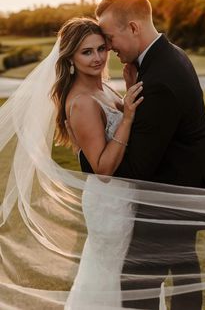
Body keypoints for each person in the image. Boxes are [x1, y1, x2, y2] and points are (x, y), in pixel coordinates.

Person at [77, 0, 205, 310]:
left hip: (167, 199)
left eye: (110, 38)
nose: (108, 47)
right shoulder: (169, 56)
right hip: (184, 190)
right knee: (184, 273)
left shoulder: (160, 76)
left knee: (136, 287)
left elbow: (137, 166)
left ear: (133, 28)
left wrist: (91, 162)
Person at [50, 17, 144, 309]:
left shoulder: (104, 87)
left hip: (125, 196)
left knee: (123, 277)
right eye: (86, 52)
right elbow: (103, 169)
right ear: (71, 58)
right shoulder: (81, 103)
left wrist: (128, 90)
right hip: (110, 203)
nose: (98, 58)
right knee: (109, 277)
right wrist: (127, 117)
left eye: (101, 48)